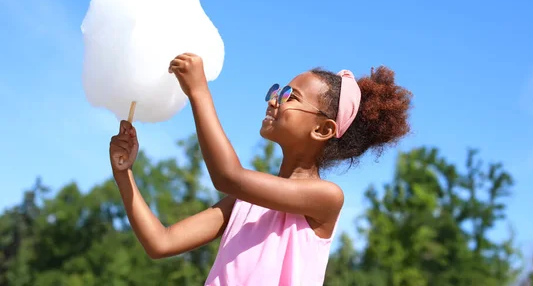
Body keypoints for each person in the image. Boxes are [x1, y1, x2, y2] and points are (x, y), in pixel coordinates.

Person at [110, 53, 412, 285]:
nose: (273, 101)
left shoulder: (326, 198)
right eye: (277, 92)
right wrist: (125, 174)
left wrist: (199, 93)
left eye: (289, 97)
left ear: (322, 129)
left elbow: (228, 176)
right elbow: (161, 243)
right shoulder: (244, 202)